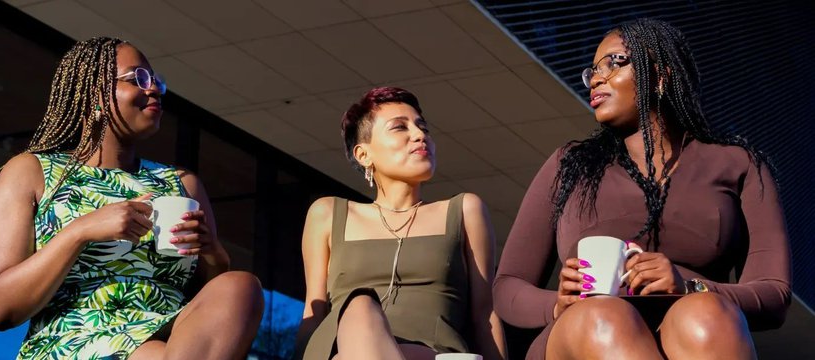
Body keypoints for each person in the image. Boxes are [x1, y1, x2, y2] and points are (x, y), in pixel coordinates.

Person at [493, 18, 790, 360]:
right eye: (592, 71)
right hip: (584, 331)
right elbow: (508, 286)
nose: (596, 78)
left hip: (698, 332)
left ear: (661, 76)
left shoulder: (739, 165)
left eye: (614, 62)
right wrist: (557, 304)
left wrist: (690, 287)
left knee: (704, 313)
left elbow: (774, 293)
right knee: (603, 316)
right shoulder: (569, 165)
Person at [0, 37, 264, 359]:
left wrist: (213, 254)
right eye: (138, 78)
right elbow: (1, 308)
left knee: (240, 285)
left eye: (155, 81)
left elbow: (211, 312)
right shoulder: (33, 171)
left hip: (173, 337)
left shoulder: (182, 183)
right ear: (95, 93)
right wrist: (79, 232)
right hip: (76, 340)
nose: (153, 90)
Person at [295, 87, 507, 360]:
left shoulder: (464, 210)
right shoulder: (328, 213)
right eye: (399, 128)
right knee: (360, 307)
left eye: (423, 127)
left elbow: (484, 314)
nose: (420, 135)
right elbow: (314, 312)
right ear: (363, 154)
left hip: (431, 354)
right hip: (344, 350)